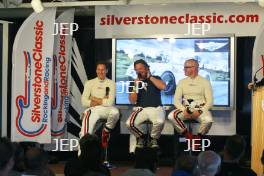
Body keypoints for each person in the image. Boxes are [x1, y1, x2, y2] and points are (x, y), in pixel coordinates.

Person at [168, 58, 213, 141]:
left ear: (194, 68)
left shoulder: (205, 82)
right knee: (171, 116)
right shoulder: (181, 82)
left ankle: (198, 138)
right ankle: (188, 136)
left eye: (186, 67)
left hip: (200, 109)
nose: (183, 69)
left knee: (208, 120)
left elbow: (210, 102)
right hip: (186, 109)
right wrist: (184, 110)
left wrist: (199, 111)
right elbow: (176, 100)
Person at [126, 59, 166, 148]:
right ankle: (141, 137)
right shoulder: (134, 82)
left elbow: (163, 86)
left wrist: (150, 77)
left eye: (140, 68)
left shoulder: (156, 78)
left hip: (156, 108)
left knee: (160, 122)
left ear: (147, 68)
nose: (138, 71)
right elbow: (132, 101)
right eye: (136, 69)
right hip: (141, 109)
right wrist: (136, 86)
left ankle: (153, 138)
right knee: (129, 123)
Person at [81, 62, 120, 148]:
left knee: (115, 112)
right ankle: (82, 156)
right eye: (98, 69)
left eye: (103, 70)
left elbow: (110, 103)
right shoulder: (89, 83)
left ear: (106, 71)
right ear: (96, 70)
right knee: (86, 133)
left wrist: (93, 98)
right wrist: (101, 101)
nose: (100, 72)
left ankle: (106, 131)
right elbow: (84, 101)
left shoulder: (111, 83)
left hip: (106, 109)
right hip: (93, 109)